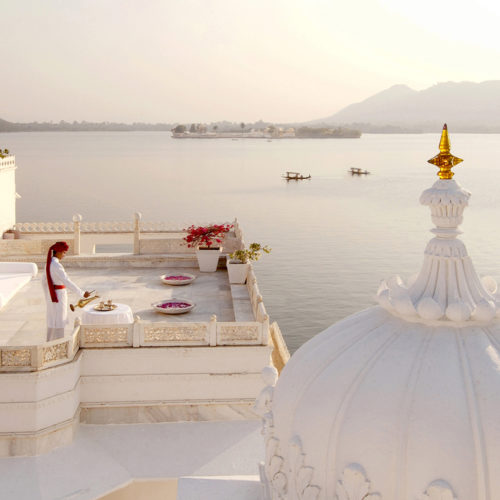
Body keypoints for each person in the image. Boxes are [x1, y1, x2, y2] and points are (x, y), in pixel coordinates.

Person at [42, 241, 90, 341]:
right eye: (63, 252)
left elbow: (43, 282)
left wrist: (48, 294)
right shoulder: (56, 265)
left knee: (52, 319)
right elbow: (67, 281)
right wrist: (81, 293)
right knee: (59, 319)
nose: (64, 255)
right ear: (58, 252)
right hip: (58, 295)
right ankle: (58, 343)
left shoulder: (49, 263)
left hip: (52, 295)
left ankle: (50, 341)